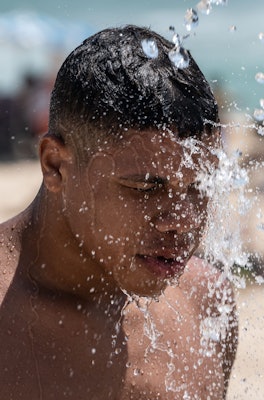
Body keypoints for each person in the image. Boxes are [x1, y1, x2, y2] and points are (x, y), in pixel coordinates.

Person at [0, 25, 238, 399]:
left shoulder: (205, 300)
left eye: (199, 187)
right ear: (55, 165)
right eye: (145, 187)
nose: (182, 221)